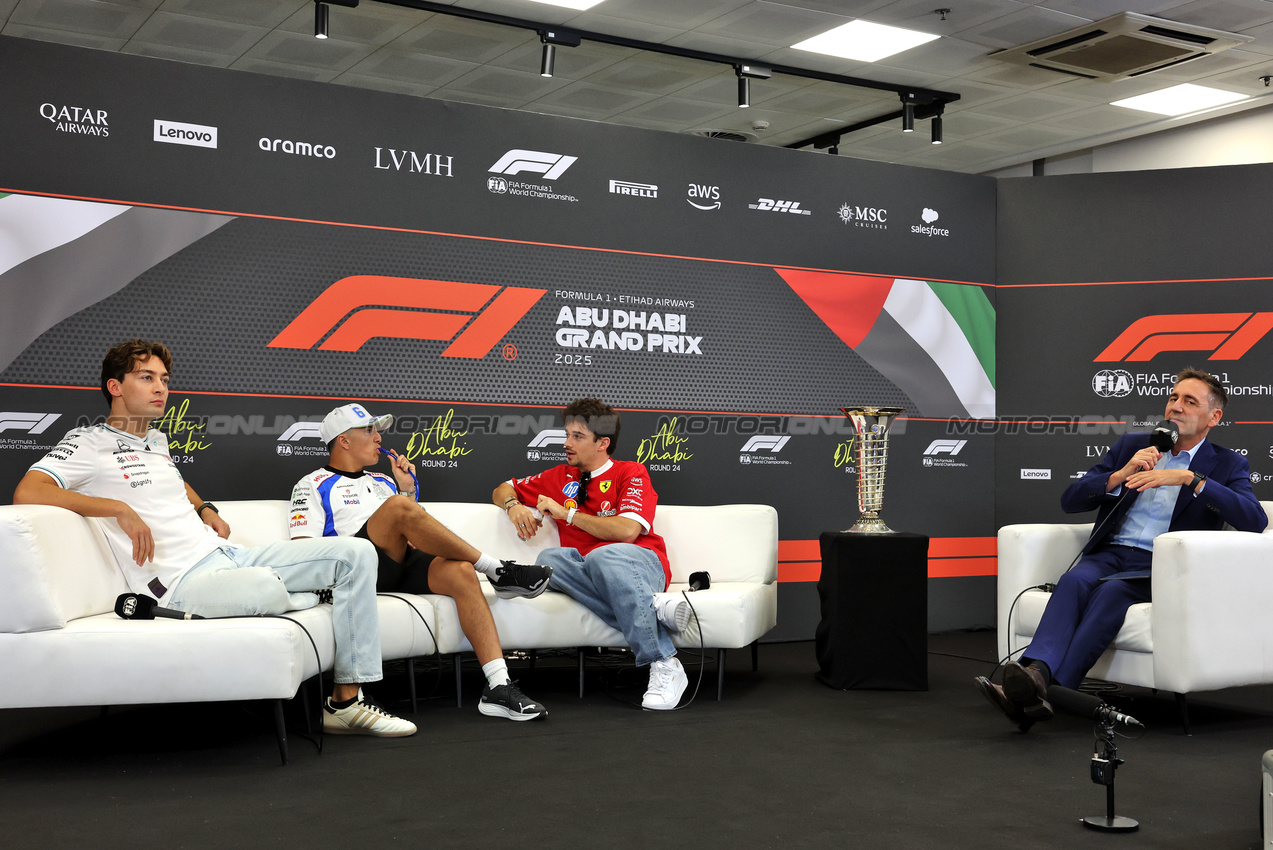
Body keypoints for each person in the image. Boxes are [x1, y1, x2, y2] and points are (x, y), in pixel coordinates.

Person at [13, 339, 416, 737]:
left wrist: (204, 507)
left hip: (225, 555)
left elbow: (172, 481)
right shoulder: (88, 441)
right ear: (115, 387)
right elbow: (29, 491)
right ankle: (311, 595)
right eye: (146, 377)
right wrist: (117, 508)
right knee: (263, 587)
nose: (160, 388)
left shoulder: (155, 440)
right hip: (178, 584)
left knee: (358, 552)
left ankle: (344, 702)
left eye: (165, 379)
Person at [977, 368, 1267, 730]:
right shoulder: (1133, 445)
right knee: (1074, 581)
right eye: (1173, 397)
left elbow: (1254, 520)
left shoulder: (1227, 464)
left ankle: (1042, 692)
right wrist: (1118, 475)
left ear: (1214, 417)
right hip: (1110, 554)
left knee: (1111, 594)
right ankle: (1038, 677)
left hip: (1159, 566)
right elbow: (1071, 500)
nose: (1175, 407)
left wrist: (1189, 478)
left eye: (1189, 401)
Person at [289, 403, 549, 721]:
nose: (377, 438)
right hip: (355, 572)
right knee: (398, 507)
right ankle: (497, 569)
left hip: (399, 563)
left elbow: (413, 531)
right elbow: (304, 551)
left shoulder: (383, 481)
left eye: (376, 431)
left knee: (461, 572)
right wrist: (402, 503)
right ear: (343, 441)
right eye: (369, 431)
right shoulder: (311, 485)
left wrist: (408, 489)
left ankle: (498, 685)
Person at [492, 398, 690, 711]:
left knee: (602, 556)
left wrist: (566, 515)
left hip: (640, 562)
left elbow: (627, 531)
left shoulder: (631, 472)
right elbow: (503, 487)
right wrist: (513, 505)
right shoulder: (560, 476)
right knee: (550, 560)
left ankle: (664, 662)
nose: (567, 443)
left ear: (603, 443)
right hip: (590, 570)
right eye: (567, 434)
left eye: (577, 437)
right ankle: (653, 609)